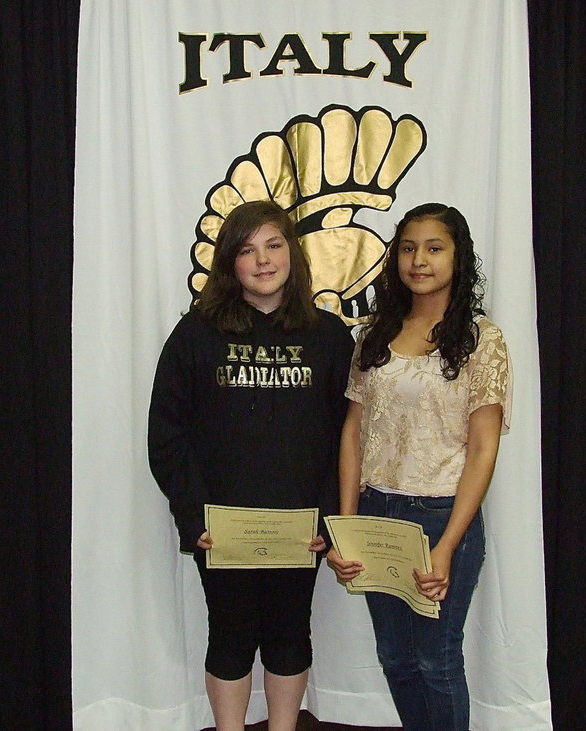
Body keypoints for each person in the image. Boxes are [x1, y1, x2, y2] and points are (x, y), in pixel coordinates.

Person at [148, 200, 352, 731]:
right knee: (230, 636)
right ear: (229, 263)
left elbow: (350, 436)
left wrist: (330, 517)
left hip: (301, 529)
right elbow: (167, 435)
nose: (263, 260)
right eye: (247, 249)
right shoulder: (195, 334)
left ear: (293, 254)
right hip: (222, 530)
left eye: (274, 245)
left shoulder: (330, 336)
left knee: (291, 634)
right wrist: (192, 516)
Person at [326, 202, 512, 731]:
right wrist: (346, 526)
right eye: (408, 248)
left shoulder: (482, 339)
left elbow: (483, 449)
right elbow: (353, 432)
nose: (419, 260)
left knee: (436, 660)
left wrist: (447, 545)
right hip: (376, 512)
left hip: (441, 517)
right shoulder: (375, 334)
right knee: (396, 658)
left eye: (434, 248)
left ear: (458, 257)